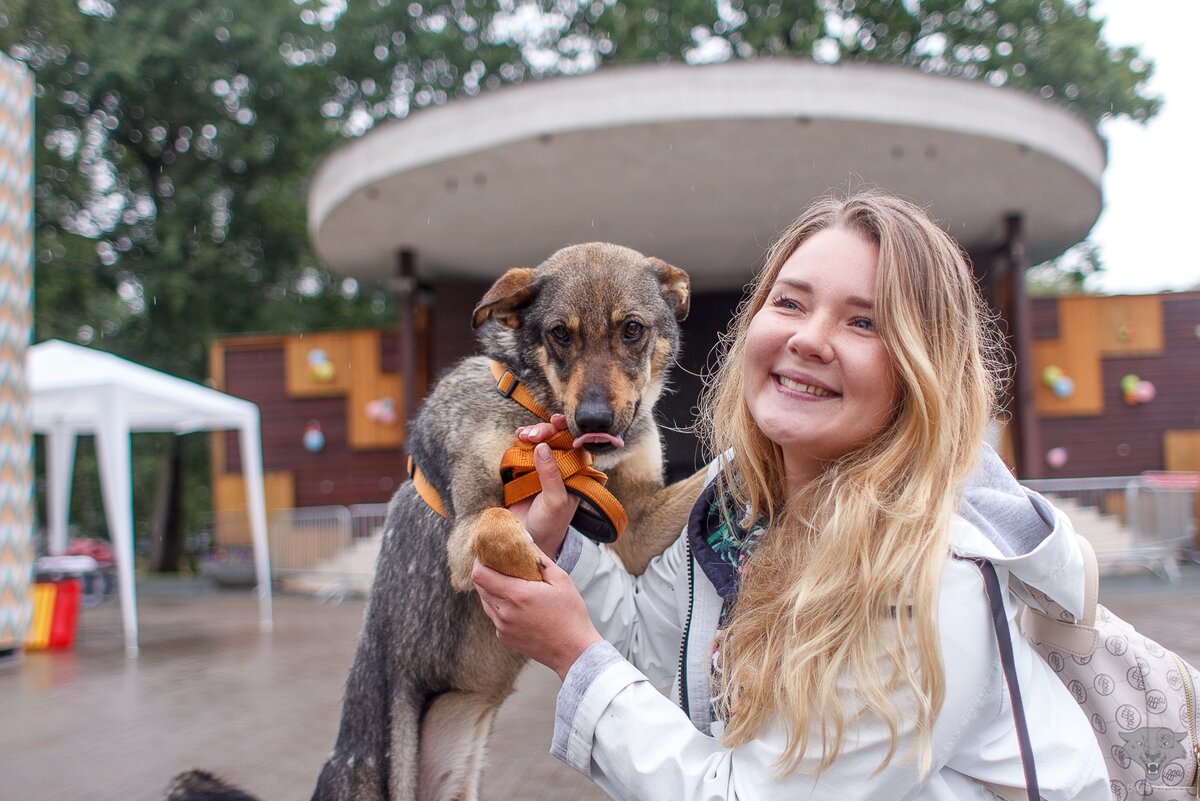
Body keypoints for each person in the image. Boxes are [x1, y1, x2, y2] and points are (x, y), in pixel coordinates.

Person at [471, 191, 1109, 800]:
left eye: (863, 320)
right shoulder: (730, 502)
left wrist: (573, 653)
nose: (808, 338)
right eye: (791, 304)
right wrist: (561, 545)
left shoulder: (933, 570)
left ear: (923, 366)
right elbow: (645, 646)